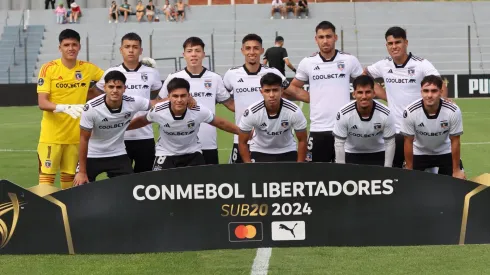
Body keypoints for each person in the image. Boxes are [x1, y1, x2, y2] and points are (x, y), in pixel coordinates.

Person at [364, 26, 450, 169]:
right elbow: (364, 74)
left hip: (420, 130)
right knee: (396, 172)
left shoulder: (421, 64)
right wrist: (384, 95)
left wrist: (443, 103)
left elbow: (440, 84)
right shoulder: (383, 65)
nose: (394, 46)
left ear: (406, 43)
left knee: (425, 172)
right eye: (390, 44)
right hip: (396, 130)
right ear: (386, 45)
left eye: (398, 42)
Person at [223, 33, 308, 164]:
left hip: (269, 139)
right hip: (242, 136)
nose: (252, 52)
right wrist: (240, 109)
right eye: (248, 48)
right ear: (242, 50)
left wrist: (319, 100)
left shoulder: (273, 72)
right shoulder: (231, 74)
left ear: (262, 51)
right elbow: (222, 97)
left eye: (256, 48)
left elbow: (294, 91)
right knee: (240, 180)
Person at [36, 29, 104, 189]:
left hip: (76, 137)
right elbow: (42, 103)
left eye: (74, 44)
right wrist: (63, 107)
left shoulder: (88, 68)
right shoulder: (48, 69)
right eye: (66, 45)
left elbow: (111, 81)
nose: (71, 48)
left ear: (79, 46)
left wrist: (93, 93)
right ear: (60, 48)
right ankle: (46, 214)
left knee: (69, 185)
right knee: (46, 184)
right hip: (51, 137)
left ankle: (67, 215)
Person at [289, 21, 364, 163]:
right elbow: (293, 88)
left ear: (335, 37)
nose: (325, 41)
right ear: (316, 39)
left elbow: (366, 86)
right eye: (321, 37)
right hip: (319, 129)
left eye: (328, 36)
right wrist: (312, 97)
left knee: (348, 174)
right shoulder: (308, 62)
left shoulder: (349, 60)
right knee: (317, 175)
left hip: (345, 127)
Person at [128, 78, 240, 170]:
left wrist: (243, 132)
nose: (179, 100)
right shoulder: (158, 110)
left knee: (199, 187)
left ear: (188, 96)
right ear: (169, 97)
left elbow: (220, 123)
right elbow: (142, 120)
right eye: (175, 96)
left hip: (192, 152)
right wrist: (124, 128)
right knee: (161, 186)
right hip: (166, 153)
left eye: (183, 95)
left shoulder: (198, 110)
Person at [158, 37, 234, 165]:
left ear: (203, 54)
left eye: (197, 51)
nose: (193, 54)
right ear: (184, 55)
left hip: (208, 143)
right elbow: (158, 104)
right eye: (189, 51)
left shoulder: (214, 78)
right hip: (178, 147)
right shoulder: (174, 77)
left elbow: (230, 104)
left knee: (209, 183)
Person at [95, 32, 162, 173]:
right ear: (121, 50)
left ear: (141, 50)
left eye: (135, 47)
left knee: (144, 180)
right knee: (119, 180)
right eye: (127, 47)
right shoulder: (112, 72)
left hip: (145, 136)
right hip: (118, 137)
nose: (131, 50)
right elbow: (96, 92)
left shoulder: (152, 72)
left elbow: (157, 96)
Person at [74, 71, 152, 185]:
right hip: (92, 154)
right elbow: (84, 139)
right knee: (79, 188)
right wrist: (81, 171)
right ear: (105, 87)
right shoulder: (91, 107)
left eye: (119, 87)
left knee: (130, 189)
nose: (115, 90)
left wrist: (179, 101)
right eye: (111, 87)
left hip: (117, 153)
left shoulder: (133, 102)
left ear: (124, 88)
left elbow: (155, 104)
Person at [400, 75, 465, 179]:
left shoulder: (453, 110)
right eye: (426, 91)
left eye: (434, 91)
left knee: (458, 182)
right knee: (409, 184)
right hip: (419, 152)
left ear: (440, 92)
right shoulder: (410, 111)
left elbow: (455, 140)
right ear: (421, 92)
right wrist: (409, 168)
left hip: (445, 151)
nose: (429, 95)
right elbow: (408, 141)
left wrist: (456, 170)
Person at [238, 73, 308, 163]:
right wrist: (249, 166)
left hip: (287, 150)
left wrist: (299, 165)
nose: (271, 95)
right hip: (260, 150)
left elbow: (302, 140)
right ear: (261, 92)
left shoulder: (294, 111)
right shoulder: (252, 112)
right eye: (267, 91)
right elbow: (242, 142)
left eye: (275, 90)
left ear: (282, 91)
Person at [333, 75, 396, 167]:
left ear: (374, 93)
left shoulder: (386, 113)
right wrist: (342, 170)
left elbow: (390, 143)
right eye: (360, 92)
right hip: (351, 153)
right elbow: (339, 144)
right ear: (354, 94)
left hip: (378, 152)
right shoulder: (344, 113)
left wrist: (387, 169)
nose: (364, 96)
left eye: (367, 92)